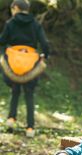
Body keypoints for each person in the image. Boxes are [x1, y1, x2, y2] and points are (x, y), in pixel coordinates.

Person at [0, 0, 49, 137]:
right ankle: (30, 129)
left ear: (15, 8)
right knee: (29, 95)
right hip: (30, 63)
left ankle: (10, 120)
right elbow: (45, 44)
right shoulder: (35, 24)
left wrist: (5, 52)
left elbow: (2, 41)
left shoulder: (11, 23)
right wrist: (44, 56)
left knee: (15, 91)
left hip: (14, 62)